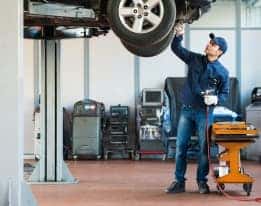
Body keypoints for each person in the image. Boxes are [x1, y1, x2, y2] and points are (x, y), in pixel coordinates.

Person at [165, 24, 230, 194]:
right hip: (186, 111)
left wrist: (216, 99)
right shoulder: (194, 59)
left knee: (203, 149)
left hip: (205, 113)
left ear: (220, 52)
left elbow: (225, 94)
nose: (209, 44)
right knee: (181, 147)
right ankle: (179, 182)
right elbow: (176, 49)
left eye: (213, 44)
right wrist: (178, 35)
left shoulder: (222, 72)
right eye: (210, 42)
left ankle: (202, 182)